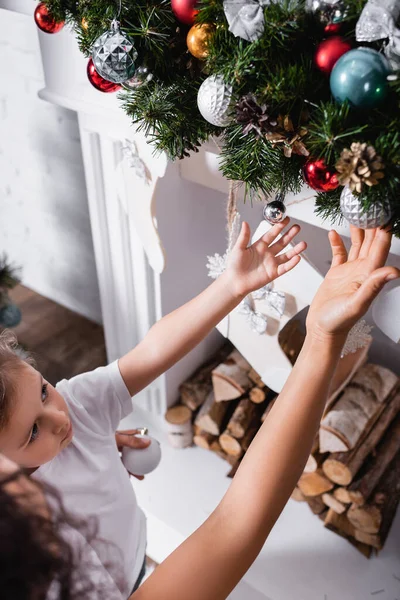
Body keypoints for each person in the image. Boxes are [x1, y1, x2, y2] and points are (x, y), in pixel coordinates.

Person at [0, 225, 397, 600]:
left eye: (45, 390)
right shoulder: (48, 561)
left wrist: (231, 286)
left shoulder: (74, 406)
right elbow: (232, 529)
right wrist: (323, 339)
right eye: (32, 433)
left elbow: (149, 353)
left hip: (133, 557)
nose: (59, 417)